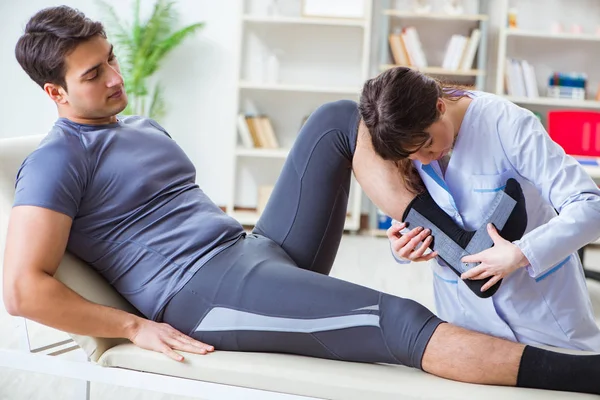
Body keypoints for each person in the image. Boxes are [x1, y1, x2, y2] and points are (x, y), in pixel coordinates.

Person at [4, 6, 600, 396]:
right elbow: (22, 289)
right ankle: (583, 377)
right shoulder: (58, 160)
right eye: (92, 74)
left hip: (249, 251)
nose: (113, 76)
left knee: (339, 118)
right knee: (396, 321)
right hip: (200, 295)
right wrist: (132, 327)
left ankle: (447, 239)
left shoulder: (139, 126)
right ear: (55, 91)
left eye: (110, 58)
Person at [359, 66, 600, 352]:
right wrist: (403, 246)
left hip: (541, 317)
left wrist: (522, 253)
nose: (422, 160)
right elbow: (432, 215)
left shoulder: (507, 124)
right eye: (412, 155)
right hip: (462, 322)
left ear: (439, 106)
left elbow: (590, 205)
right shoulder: (412, 146)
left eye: (426, 145)